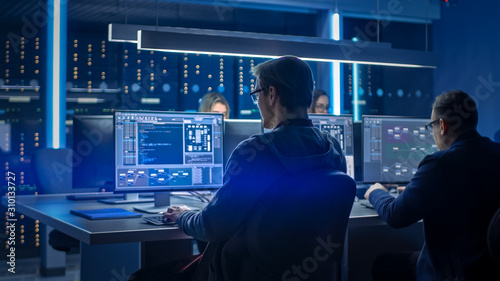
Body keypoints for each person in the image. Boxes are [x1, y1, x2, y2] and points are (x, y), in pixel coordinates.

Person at [129, 56, 347, 281]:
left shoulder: (254, 152)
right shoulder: (333, 150)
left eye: (257, 95)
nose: (258, 103)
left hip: (246, 272)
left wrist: (183, 215)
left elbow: (212, 226)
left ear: (271, 94)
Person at [364, 90, 500, 281]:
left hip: (451, 272)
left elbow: (395, 215)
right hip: (488, 269)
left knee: (384, 264)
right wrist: (417, 190)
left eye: (431, 126)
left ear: (442, 126)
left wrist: (376, 192)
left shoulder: (440, 164)